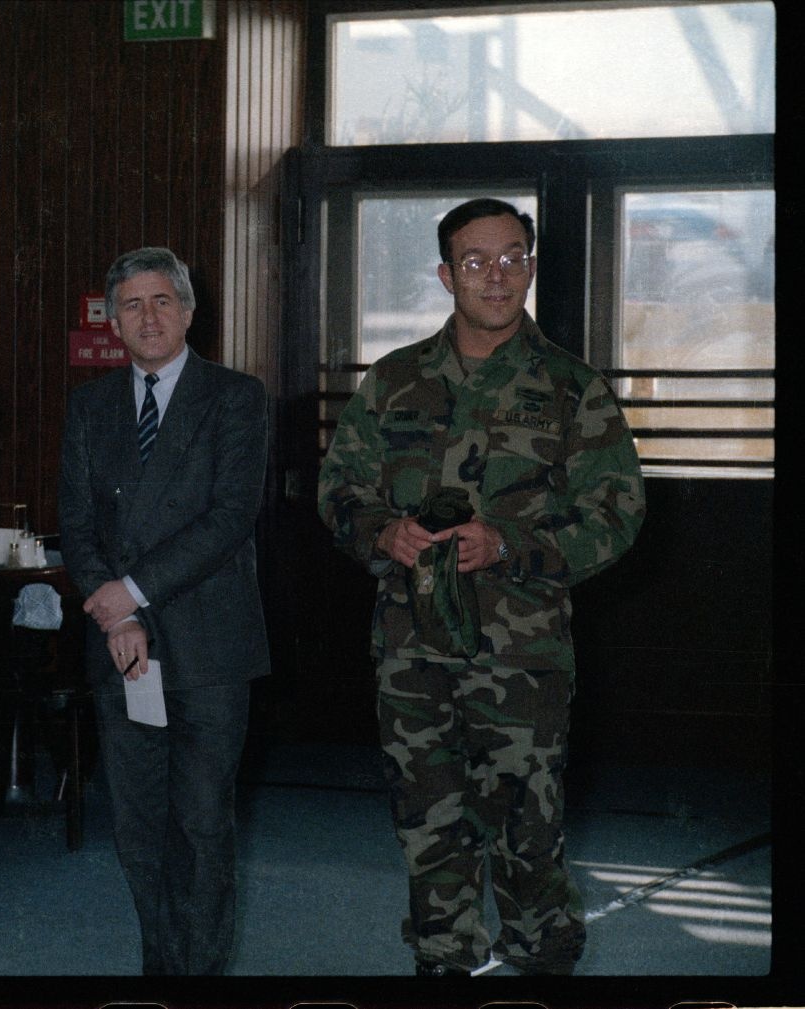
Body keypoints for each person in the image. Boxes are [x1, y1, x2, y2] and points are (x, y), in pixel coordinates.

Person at [318, 198, 646, 976]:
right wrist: (380, 532)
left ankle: (543, 956)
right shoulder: (394, 382)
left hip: (522, 657)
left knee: (527, 836)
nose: (496, 277)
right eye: (475, 261)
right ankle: (443, 960)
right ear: (444, 275)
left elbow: (619, 512)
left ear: (531, 266)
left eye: (511, 258)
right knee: (427, 829)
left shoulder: (573, 389)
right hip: (411, 650)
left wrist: (512, 543)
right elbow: (340, 488)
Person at [58, 246, 270, 975]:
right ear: (114, 320)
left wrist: (134, 591)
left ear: (189, 309)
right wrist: (117, 615)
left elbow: (228, 517)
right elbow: (77, 525)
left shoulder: (237, 397)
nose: (147, 317)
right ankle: (161, 966)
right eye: (131, 305)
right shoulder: (89, 407)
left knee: (204, 826)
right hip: (122, 648)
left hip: (209, 649)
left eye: (161, 301)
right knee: (137, 828)